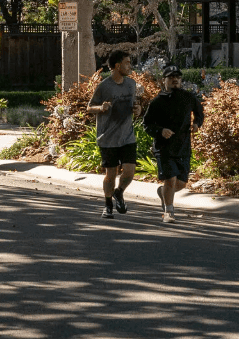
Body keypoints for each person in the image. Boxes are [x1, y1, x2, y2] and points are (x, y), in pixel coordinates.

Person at [142, 64, 204, 223]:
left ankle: (163, 193)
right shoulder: (157, 102)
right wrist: (160, 130)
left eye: (177, 77)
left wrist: (197, 123)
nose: (175, 79)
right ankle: (168, 212)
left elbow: (199, 113)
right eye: (171, 77)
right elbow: (147, 124)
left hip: (183, 147)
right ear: (164, 81)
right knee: (170, 180)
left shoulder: (188, 97)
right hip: (164, 148)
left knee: (181, 184)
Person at [87, 49, 139, 218]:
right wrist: (101, 108)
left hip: (127, 136)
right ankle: (108, 204)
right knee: (111, 174)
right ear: (117, 66)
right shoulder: (104, 86)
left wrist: (137, 109)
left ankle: (119, 192)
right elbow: (89, 107)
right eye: (127, 63)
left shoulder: (131, 84)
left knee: (130, 172)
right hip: (108, 137)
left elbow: (134, 106)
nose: (130, 66)